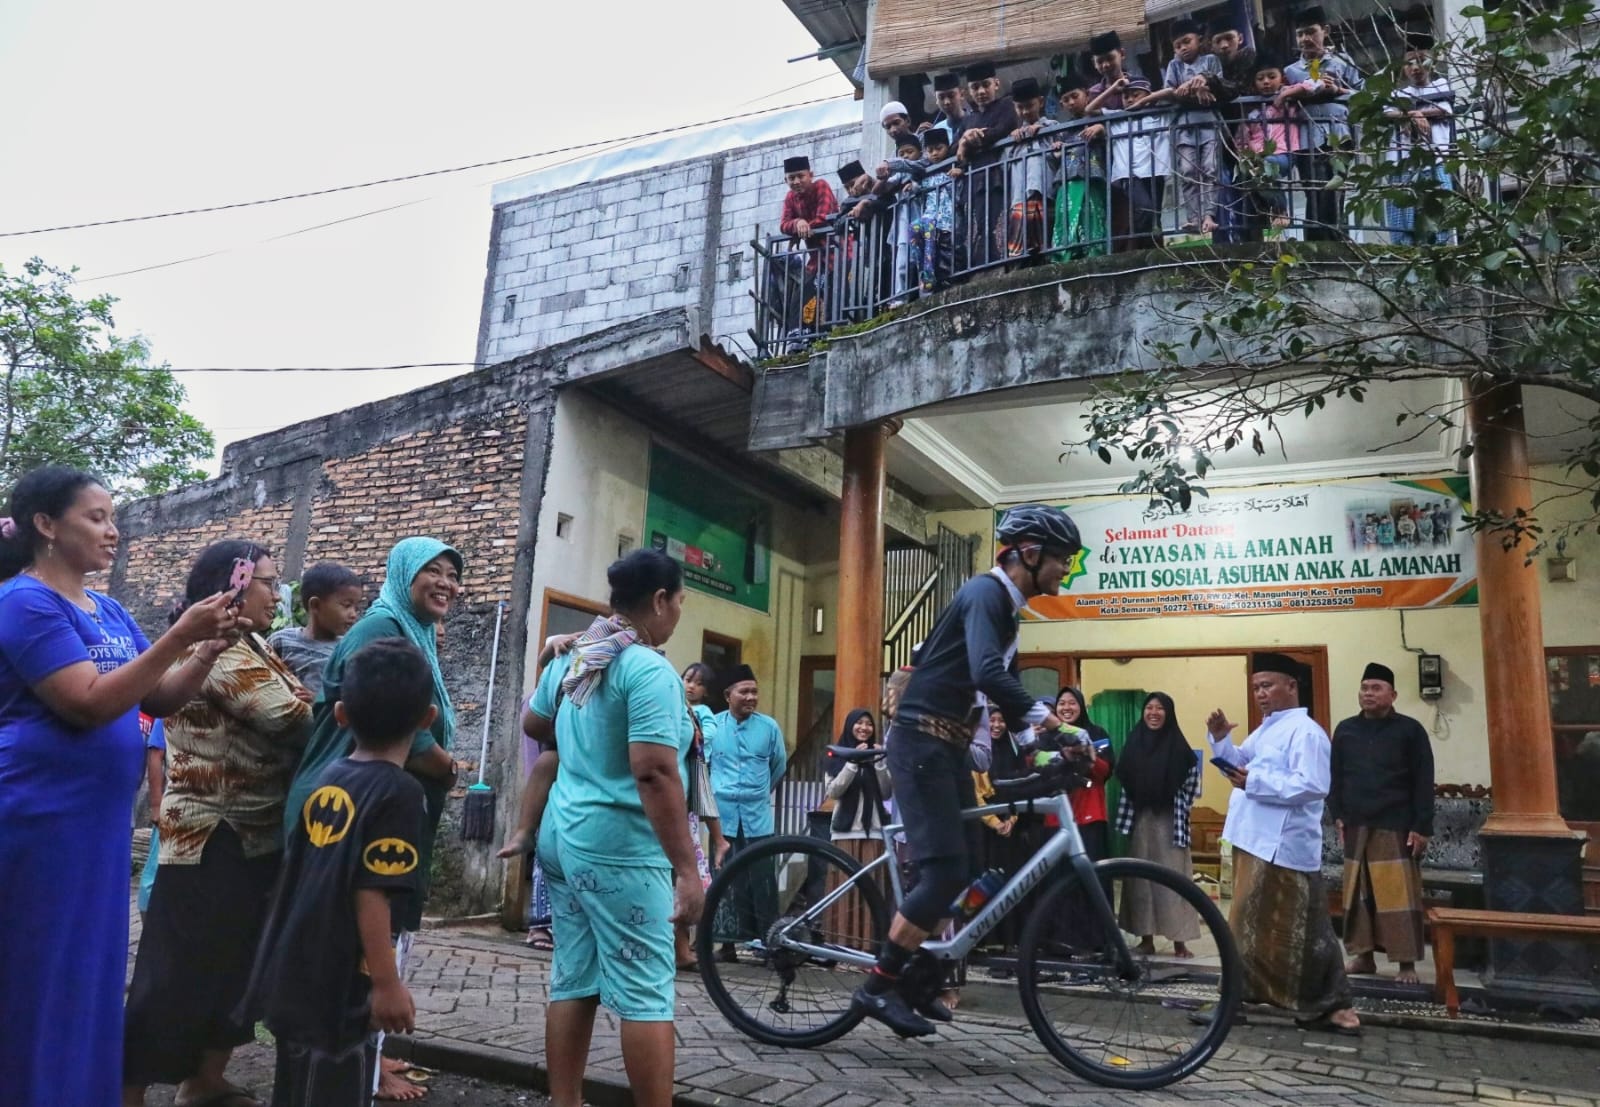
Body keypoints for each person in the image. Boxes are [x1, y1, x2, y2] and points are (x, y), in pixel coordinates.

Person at [0, 466, 239, 1107]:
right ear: (46, 527)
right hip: (41, 819)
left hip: (95, 825)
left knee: (88, 974)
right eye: (97, 517)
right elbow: (86, 703)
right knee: (38, 973)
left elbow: (157, 698)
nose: (114, 531)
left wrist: (206, 651)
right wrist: (178, 635)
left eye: (114, 517)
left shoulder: (104, 608)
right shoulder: (23, 602)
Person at [853, 504, 1085, 1038]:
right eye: (1061, 561)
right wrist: (1053, 722)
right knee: (942, 871)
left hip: (948, 748)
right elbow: (986, 672)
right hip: (920, 742)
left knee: (975, 866)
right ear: (1029, 554)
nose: (1064, 572)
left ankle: (921, 975)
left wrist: (1040, 748)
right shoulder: (988, 594)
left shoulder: (1007, 609)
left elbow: (990, 685)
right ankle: (878, 988)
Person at [124, 540, 316, 1107]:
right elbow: (288, 715)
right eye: (265, 580)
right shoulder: (219, 648)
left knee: (234, 965)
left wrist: (306, 700)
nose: (275, 592)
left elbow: (298, 701)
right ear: (229, 587)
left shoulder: (253, 643)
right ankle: (125, 1089)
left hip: (251, 830)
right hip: (210, 834)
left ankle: (203, 1081)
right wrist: (314, 704)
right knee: (174, 972)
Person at [282, 536, 462, 1102]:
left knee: (332, 982)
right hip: (364, 813)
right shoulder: (381, 629)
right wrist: (446, 765)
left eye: (453, 574)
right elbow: (371, 891)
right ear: (402, 572)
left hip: (346, 805)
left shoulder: (412, 630)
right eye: (431, 570)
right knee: (352, 973)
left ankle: (360, 1069)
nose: (446, 583)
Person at [526, 549, 703, 1107]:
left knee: (575, 976)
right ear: (659, 601)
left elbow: (534, 723)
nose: (677, 613)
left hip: (564, 836)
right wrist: (687, 869)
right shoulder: (645, 668)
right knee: (647, 991)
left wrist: (554, 662)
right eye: (678, 602)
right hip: (620, 849)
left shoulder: (579, 656)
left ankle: (565, 1102)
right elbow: (653, 771)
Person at [239, 638, 432, 1107]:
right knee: (335, 1086)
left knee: (297, 1086)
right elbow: (373, 891)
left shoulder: (327, 777)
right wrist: (386, 984)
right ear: (428, 719)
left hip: (295, 964)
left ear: (341, 715)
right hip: (342, 982)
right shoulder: (400, 794)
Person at [1208, 653, 1361, 1034]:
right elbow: (1240, 762)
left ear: (1291, 686)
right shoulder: (1266, 730)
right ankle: (1239, 1000)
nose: (1260, 694)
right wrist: (1221, 739)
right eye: (1256, 687)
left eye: (1268, 685)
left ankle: (1332, 1005)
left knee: (1297, 928)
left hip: (1282, 844)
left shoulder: (1305, 731)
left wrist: (1253, 783)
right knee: (1250, 926)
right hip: (1254, 838)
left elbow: (1312, 786)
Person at [1330, 661, 1435, 985]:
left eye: (1376, 688)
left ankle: (1405, 964)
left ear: (1393, 695)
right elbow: (1335, 777)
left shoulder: (1410, 730)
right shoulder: (1345, 729)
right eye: (1364, 688)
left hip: (1396, 824)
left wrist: (1421, 826)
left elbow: (1423, 780)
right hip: (1356, 824)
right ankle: (1363, 957)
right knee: (1358, 897)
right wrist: (1337, 814)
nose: (1368, 694)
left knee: (1397, 898)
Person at [707, 663, 788, 962]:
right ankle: (726, 946)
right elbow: (705, 766)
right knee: (725, 880)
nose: (751, 697)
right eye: (745, 691)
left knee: (763, 881)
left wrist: (757, 791)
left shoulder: (769, 728)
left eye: (754, 691)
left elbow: (778, 765)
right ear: (729, 695)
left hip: (758, 818)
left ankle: (769, 946)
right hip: (723, 819)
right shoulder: (713, 726)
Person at [1112, 692, 1202, 958]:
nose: (1153, 712)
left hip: (1170, 823)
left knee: (1175, 881)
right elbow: (1124, 778)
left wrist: (1166, 790)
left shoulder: (1180, 749)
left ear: (1169, 713)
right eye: (1149, 708)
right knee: (1141, 882)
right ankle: (1146, 939)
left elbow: (1192, 786)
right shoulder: (1133, 742)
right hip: (1141, 821)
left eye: (1159, 708)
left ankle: (1179, 941)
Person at [1281, 6, 1365, 241]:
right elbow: (1281, 103)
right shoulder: (1291, 71)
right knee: (1314, 191)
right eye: (1300, 34)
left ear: (1325, 31)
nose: (1305, 39)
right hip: (1307, 137)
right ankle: (1317, 242)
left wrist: (1338, 90)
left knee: (1335, 189)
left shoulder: (1342, 62)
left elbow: (1363, 94)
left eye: (1310, 32)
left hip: (1339, 135)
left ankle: (1336, 239)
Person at [1048, 688, 1115, 953]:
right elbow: (1037, 766)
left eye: (1072, 702)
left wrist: (1086, 755)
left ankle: (1097, 940)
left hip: (1089, 817)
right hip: (1056, 819)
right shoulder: (1049, 735)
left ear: (1081, 706)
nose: (1066, 707)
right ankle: (1060, 941)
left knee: (1093, 880)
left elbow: (1106, 771)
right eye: (1061, 703)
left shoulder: (1097, 734)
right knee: (1058, 884)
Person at [824, 709, 893, 947]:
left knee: (871, 891)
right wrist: (852, 763)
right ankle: (842, 947)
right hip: (845, 831)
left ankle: (867, 947)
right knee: (845, 890)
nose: (864, 728)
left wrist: (880, 762)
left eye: (868, 724)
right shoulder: (836, 755)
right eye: (859, 723)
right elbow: (833, 791)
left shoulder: (876, 756)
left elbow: (886, 792)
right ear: (849, 726)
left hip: (873, 831)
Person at [676, 661, 727, 971]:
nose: (690, 686)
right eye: (686, 679)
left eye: (697, 683)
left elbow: (704, 740)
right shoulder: (670, 704)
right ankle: (679, 948)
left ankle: (684, 947)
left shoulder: (702, 716)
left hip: (687, 804)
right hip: (676, 798)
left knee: (688, 878)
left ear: (706, 691)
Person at [1382, 38, 1455, 245]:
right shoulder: (1398, 94)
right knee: (1402, 213)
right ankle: (1404, 250)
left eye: (1421, 60)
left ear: (1432, 62)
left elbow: (1445, 110)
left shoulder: (1441, 86)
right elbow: (1387, 113)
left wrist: (1411, 114)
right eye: (1409, 62)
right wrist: (1414, 114)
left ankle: (1439, 246)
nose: (1415, 68)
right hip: (1403, 160)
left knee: (1439, 206)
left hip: (1435, 158)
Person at [951, 61, 1020, 272]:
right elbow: (952, 148)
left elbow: (1001, 130)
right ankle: (977, 273)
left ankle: (1001, 268)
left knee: (999, 224)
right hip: (973, 183)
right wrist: (964, 140)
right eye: (975, 87)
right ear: (968, 91)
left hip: (998, 177)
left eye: (985, 85)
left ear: (996, 84)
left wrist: (970, 142)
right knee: (975, 228)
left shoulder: (1007, 105)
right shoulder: (968, 120)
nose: (981, 91)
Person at [1091, 78, 1169, 251]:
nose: (1131, 99)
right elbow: (1090, 110)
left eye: (1136, 95)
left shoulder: (1158, 115)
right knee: (1145, 209)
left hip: (1156, 171)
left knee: (1155, 215)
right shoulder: (1118, 118)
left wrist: (1147, 100)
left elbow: (1172, 92)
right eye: (1126, 96)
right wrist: (1112, 89)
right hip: (1129, 173)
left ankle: (1155, 251)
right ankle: (1137, 249)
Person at [1162, 17, 1223, 235]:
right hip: (1184, 127)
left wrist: (1201, 85)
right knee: (1188, 171)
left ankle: (1209, 215)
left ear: (1198, 39)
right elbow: (1171, 93)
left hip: (1209, 123)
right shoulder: (1174, 66)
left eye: (1187, 41)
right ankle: (1194, 218)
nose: (1183, 48)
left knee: (1210, 168)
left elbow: (1218, 83)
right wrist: (1194, 89)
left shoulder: (1211, 61)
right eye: (1178, 46)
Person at [269, 561, 365, 697]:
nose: (353, 614)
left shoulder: (348, 651)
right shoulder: (280, 641)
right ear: (315, 605)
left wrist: (318, 702)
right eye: (346, 605)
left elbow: (350, 699)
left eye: (356, 607)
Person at [1235, 58, 1305, 230]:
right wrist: (1248, 148)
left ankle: (1281, 211)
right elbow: (1241, 140)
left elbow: (1312, 85)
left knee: (1267, 165)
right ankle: (1264, 216)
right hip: (1258, 157)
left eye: (1271, 77)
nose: (1266, 82)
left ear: (1281, 78)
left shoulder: (1289, 101)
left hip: (1284, 153)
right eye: (1260, 78)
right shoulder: (1252, 112)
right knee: (1245, 176)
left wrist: (1284, 95)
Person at [1050, 75, 1110, 259]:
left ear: (1086, 94)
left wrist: (1101, 128)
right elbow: (1055, 159)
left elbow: (1113, 137)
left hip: (1092, 176)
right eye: (1066, 100)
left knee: (1092, 213)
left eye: (1074, 96)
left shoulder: (1100, 118)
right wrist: (1056, 151)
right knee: (1066, 215)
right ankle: (1066, 255)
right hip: (1067, 179)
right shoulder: (1062, 130)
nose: (1071, 102)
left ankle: (1094, 253)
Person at [1004, 77, 1052, 260]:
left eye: (1029, 106)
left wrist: (1042, 131)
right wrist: (1014, 140)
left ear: (1040, 102)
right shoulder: (1014, 137)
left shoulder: (1051, 127)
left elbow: (1057, 154)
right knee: (1021, 245)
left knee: (1044, 239)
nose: (1024, 111)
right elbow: (1005, 163)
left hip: (1043, 190)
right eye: (1019, 107)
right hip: (1020, 194)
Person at [908, 125, 958, 293]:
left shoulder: (950, 170)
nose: (935, 153)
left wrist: (958, 174)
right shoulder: (927, 175)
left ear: (947, 148)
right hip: (930, 218)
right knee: (914, 229)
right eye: (930, 150)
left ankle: (936, 278)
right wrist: (911, 186)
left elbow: (959, 194)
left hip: (946, 220)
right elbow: (917, 189)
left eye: (939, 148)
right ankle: (925, 273)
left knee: (944, 253)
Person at [137, 712, 167, 916]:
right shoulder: (172, 708)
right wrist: (156, 805)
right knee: (153, 874)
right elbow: (155, 754)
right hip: (176, 802)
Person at [921, 72, 968, 141]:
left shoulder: (975, 121)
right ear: (936, 100)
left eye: (951, 96)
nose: (947, 102)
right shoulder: (937, 130)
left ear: (961, 95)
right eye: (941, 97)